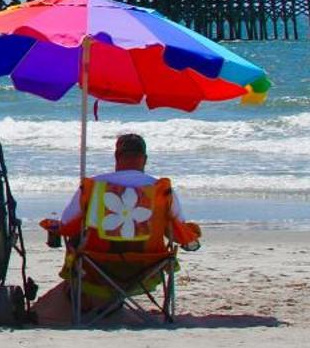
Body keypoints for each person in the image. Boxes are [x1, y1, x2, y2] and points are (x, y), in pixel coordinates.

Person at [30, 132, 200, 325]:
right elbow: (179, 230)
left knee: (77, 239)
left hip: (97, 266)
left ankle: (83, 305)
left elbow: (67, 225)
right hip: (148, 266)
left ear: (117, 157)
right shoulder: (161, 190)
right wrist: (191, 237)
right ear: (144, 159)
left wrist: (54, 228)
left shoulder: (94, 186)